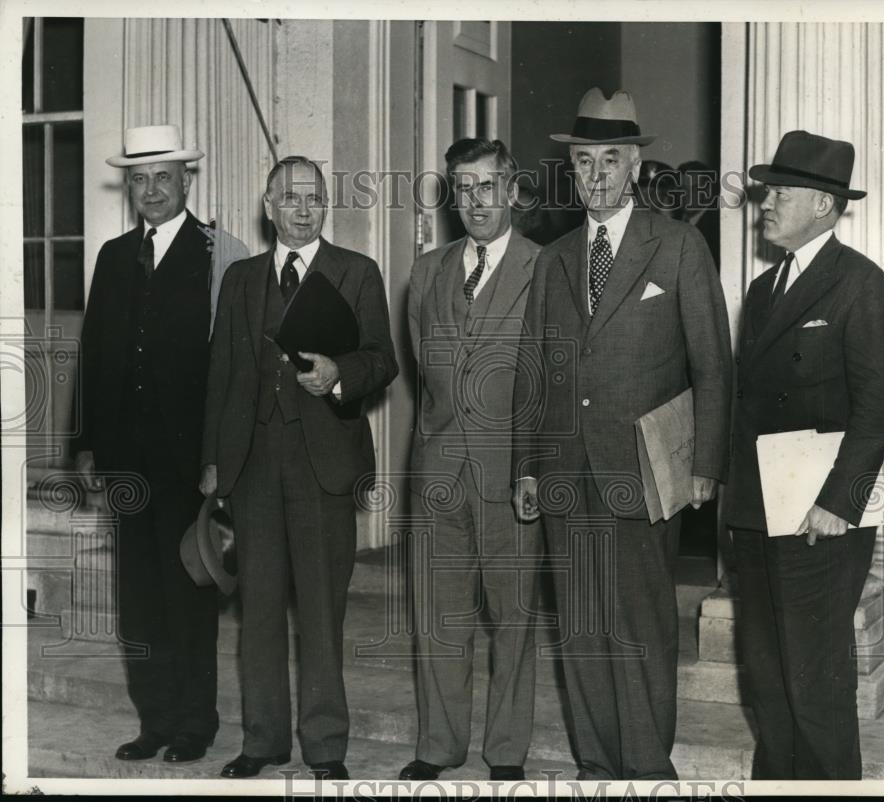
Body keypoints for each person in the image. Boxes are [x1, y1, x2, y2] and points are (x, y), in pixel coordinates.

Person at [511, 88, 732, 780]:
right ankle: (598, 765)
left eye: (612, 158)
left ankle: (646, 768)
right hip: (562, 471)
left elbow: (713, 364)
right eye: (585, 160)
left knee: (638, 625)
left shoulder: (678, 246)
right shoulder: (554, 260)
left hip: (640, 468)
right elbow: (534, 372)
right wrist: (525, 466)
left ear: (635, 166)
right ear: (571, 170)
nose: (598, 173)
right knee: (579, 628)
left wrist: (706, 464)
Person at [200, 155, 398, 779]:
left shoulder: (357, 272)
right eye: (290, 198)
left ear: (326, 205)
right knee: (257, 610)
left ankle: (325, 746)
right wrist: (212, 462)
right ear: (267, 205)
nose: (302, 208)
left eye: (313, 198)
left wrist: (342, 375)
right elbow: (221, 378)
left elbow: (382, 360)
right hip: (254, 464)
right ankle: (262, 741)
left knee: (320, 610)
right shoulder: (239, 279)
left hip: (324, 465)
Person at [725, 130, 884, 780]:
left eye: (780, 192)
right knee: (768, 681)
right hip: (757, 511)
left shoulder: (860, 285)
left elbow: (880, 407)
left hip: (819, 518)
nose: (764, 202)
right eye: (766, 190)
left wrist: (839, 502)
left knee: (815, 687)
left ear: (824, 206)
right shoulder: (763, 289)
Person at [73, 123, 248, 764]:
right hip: (126, 461)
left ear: (186, 182)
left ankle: (194, 723)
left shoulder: (218, 256)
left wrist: (217, 459)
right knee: (139, 598)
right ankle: (154, 721)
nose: (151, 190)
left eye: (163, 178)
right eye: (140, 180)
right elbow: (94, 355)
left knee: (188, 592)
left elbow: (231, 369)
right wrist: (88, 445)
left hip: (188, 464)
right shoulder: (114, 257)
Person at [400, 138, 543, 783]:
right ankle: (439, 746)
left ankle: (506, 751)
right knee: (438, 616)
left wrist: (533, 467)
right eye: (463, 188)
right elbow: (423, 368)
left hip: (511, 476)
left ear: (510, 191)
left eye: (488, 187)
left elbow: (551, 380)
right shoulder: (427, 272)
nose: (476, 202)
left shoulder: (547, 268)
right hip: (437, 473)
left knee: (513, 620)